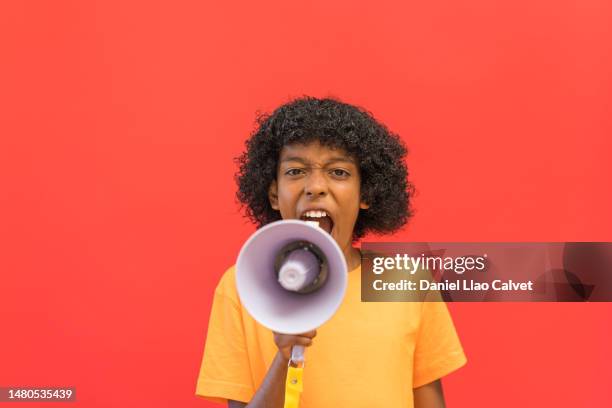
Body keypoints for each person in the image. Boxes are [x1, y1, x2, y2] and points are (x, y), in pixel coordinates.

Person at [196, 97, 466, 407]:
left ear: (366, 194)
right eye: (296, 171)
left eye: (338, 172)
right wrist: (284, 359)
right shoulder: (242, 285)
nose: (315, 187)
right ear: (274, 194)